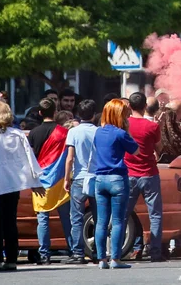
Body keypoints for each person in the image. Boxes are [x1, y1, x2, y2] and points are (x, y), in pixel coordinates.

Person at [0, 100, 45, 271]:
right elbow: (28, 159)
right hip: (13, 185)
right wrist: (35, 182)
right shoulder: (17, 135)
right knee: (10, 222)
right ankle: (11, 259)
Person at [92, 99, 139, 269]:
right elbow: (136, 150)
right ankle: (116, 259)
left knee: (101, 221)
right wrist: (127, 130)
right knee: (118, 221)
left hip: (100, 179)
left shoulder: (98, 132)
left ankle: (101, 259)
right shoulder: (121, 133)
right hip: (117, 178)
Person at [28, 98, 73, 265]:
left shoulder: (33, 133)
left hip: (41, 181)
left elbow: (30, 159)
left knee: (43, 219)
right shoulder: (64, 132)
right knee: (66, 218)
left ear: (40, 113)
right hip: (61, 180)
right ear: (55, 112)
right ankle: (73, 250)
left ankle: (45, 254)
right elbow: (69, 157)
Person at [125, 92, 165, 262]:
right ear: (145, 107)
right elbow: (160, 147)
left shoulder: (124, 125)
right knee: (155, 215)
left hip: (129, 174)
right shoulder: (152, 126)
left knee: (123, 214)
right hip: (149, 173)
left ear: (129, 106)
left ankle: (116, 250)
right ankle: (155, 252)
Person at [64, 100, 99, 265]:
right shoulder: (98, 132)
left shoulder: (73, 132)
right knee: (99, 216)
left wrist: (66, 178)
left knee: (76, 217)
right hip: (96, 177)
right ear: (94, 114)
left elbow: (70, 158)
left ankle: (77, 253)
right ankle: (98, 251)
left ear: (79, 114)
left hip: (78, 177)